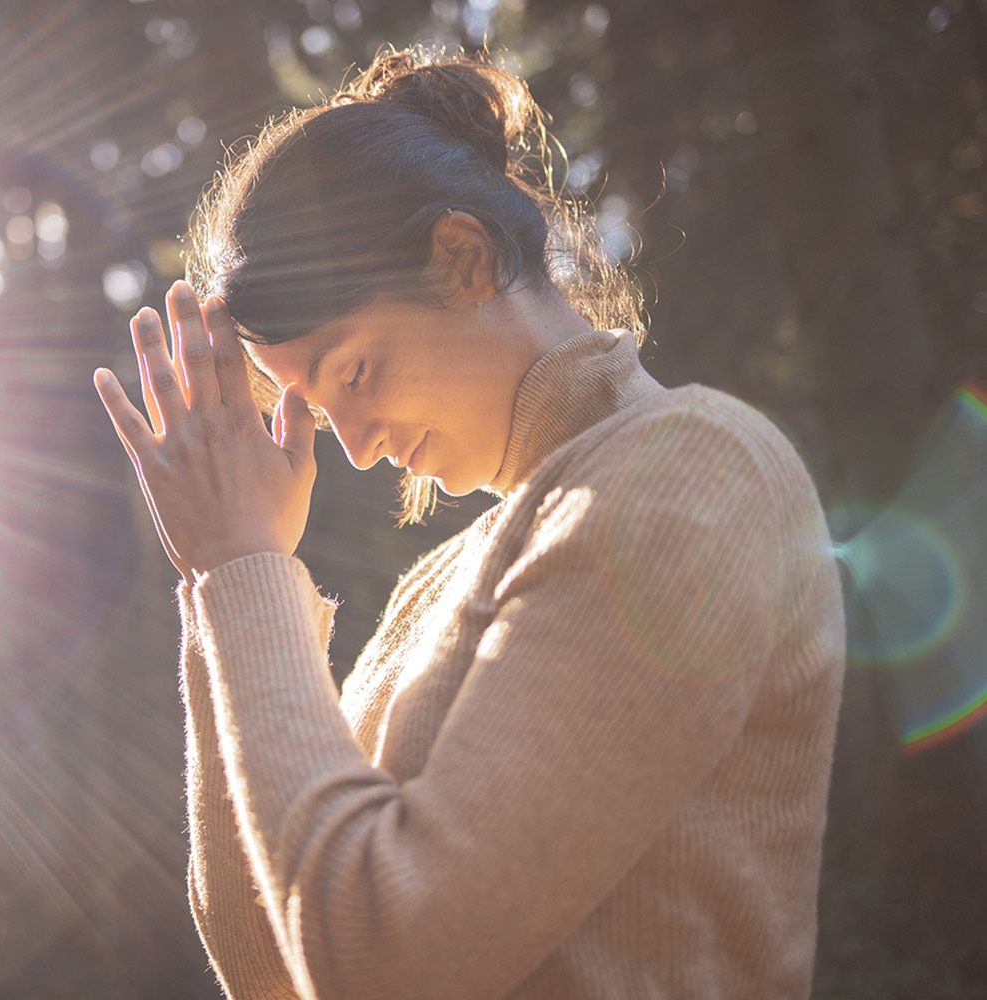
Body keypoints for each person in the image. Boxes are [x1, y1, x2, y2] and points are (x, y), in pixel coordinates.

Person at [93, 46, 845, 1000]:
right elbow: (268, 966)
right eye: (319, 410)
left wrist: (243, 568)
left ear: (464, 259)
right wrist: (228, 577)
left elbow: (387, 961)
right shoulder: (441, 586)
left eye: (354, 373)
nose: (355, 449)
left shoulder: (690, 472)